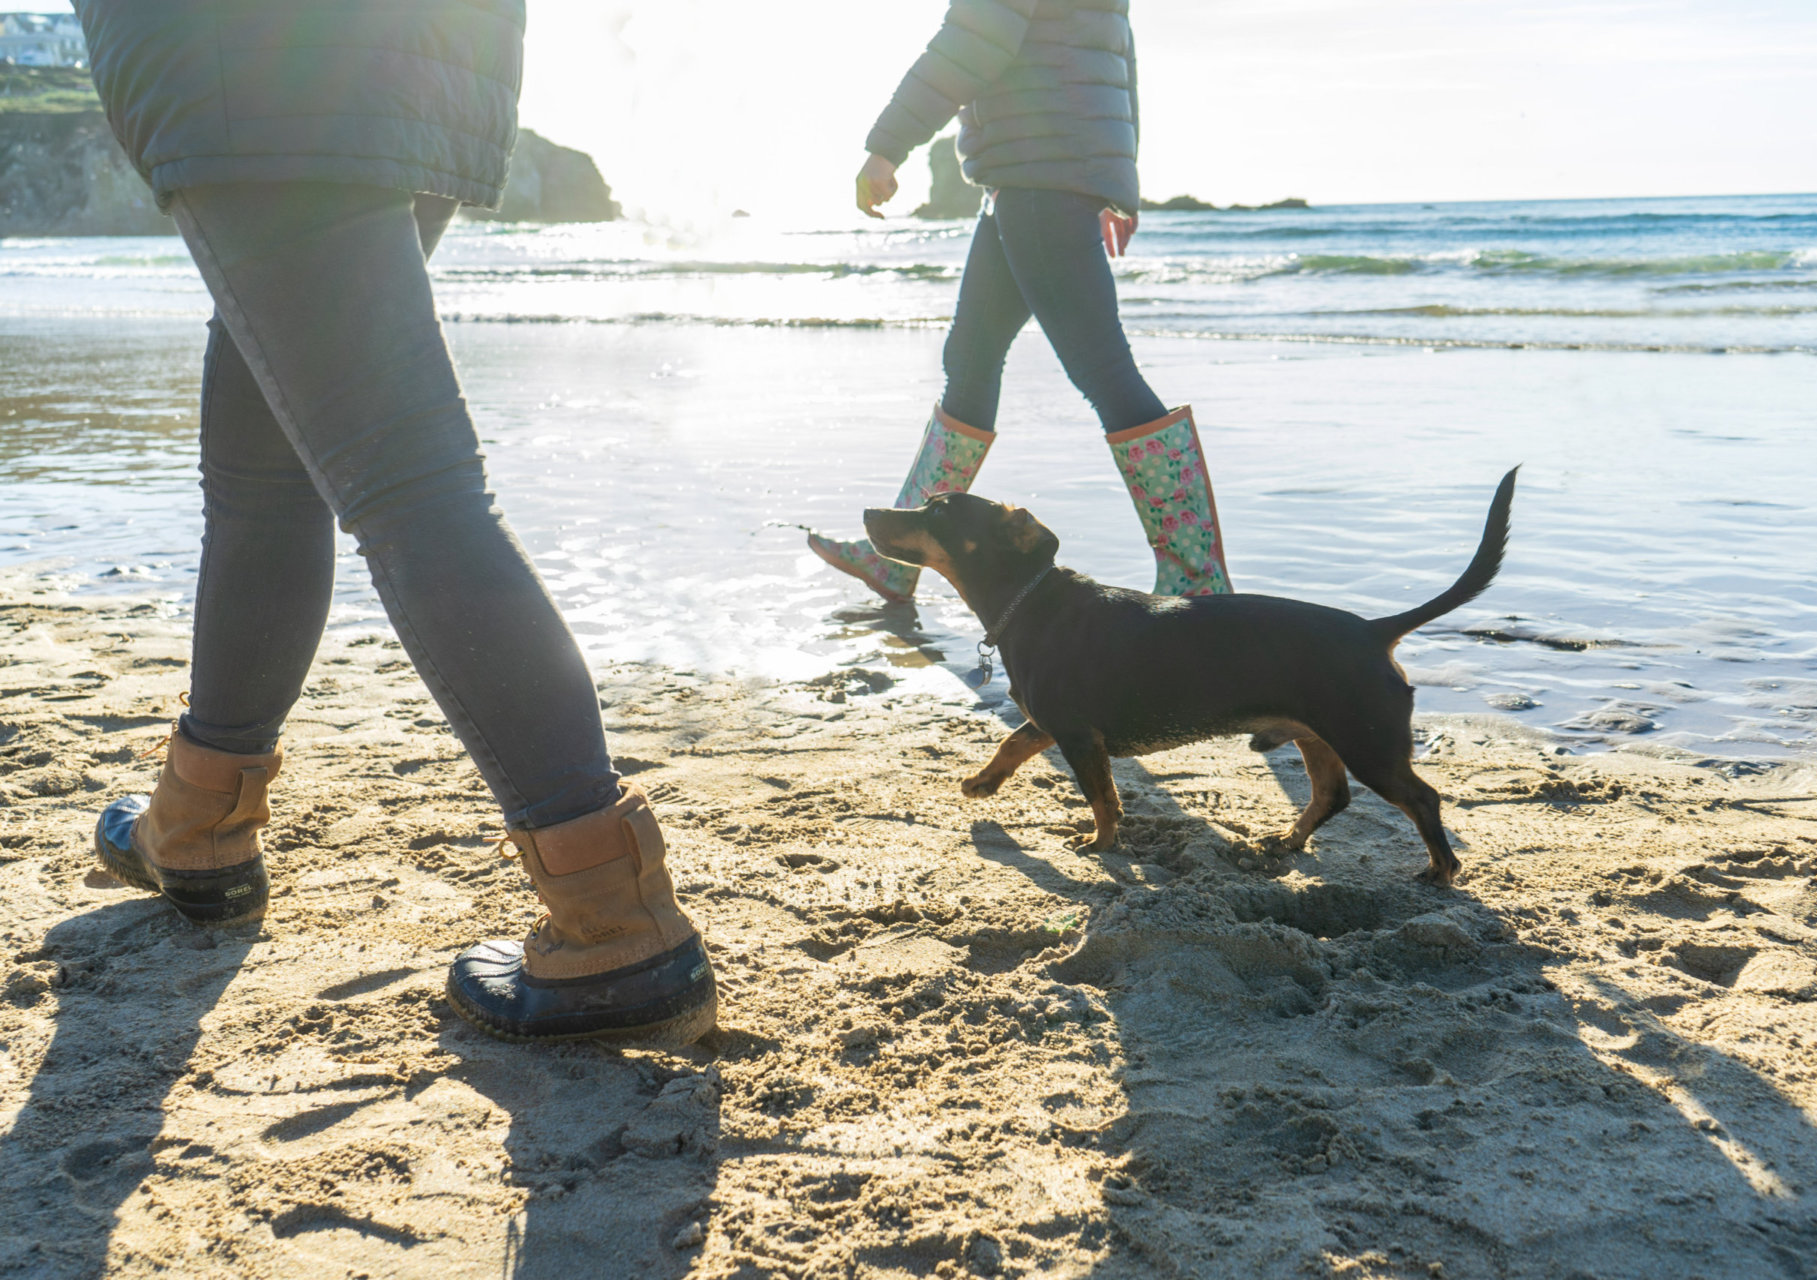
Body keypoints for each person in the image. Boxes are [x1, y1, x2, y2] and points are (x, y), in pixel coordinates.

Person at [71, 0, 715, 1046]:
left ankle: (612, 915)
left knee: (407, 484)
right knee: (276, 469)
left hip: (257, 60)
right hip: (420, 58)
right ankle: (196, 827)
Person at [809, 0, 1231, 603]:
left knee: (1103, 370)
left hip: (1037, 176)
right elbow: (1115, 59)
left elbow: (970, 43)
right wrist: (1117, 182)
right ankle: (898, 561)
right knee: (972, 362)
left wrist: (889, 145)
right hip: (1033, 176)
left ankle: (1199, 581)